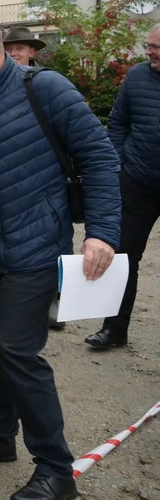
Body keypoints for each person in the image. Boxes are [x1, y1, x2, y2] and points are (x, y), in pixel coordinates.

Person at [0, 14, 121, 500]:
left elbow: (100, 158)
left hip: (35, 250)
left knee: (17, 350)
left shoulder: (49, 90)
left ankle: (57, 470)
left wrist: (101, 232)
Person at [85, 22, 160, 350]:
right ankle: (114, 330)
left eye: (157, 47)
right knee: (123, 258)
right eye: (149, 46)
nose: (151, 52)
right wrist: (118, 165)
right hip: (138, 183)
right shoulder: (138, 76)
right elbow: (118, 123)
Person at [2, 28, 64, 330]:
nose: (14, 53)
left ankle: (56, 302)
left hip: (46, 181)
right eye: (9, 48)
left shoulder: (48, 85)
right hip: (12, 182)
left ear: (32, 53)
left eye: (20, 48)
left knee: (54, 247)